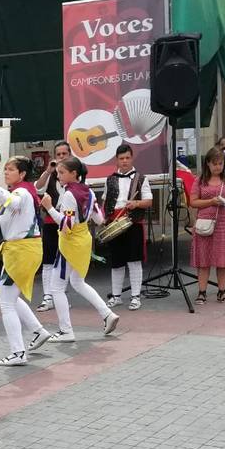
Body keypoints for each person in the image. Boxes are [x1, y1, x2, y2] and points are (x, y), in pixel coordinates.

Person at [40, 158, 120, 337]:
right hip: (84, 240)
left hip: (70, 243)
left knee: (56, 288)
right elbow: (99, 219)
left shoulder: (69, 194)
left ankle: (66, 331)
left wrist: (49, 208)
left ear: (73, 173)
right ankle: (107, 314)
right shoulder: (89, 191)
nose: (58, 176)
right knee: (78, 282)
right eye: (58, 172)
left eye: (61, 172)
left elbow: (66, 225)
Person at [0, 158, 51, 365]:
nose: (6, 172)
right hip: (19, 249)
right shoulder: (22, 190)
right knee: (11, 297)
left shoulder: (21, 192)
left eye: (10, 169)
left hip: (22, 250)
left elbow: (11, 202)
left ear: (22, 174)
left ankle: (18, 352)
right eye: (5, 169)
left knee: (6, 303)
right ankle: (38, 331)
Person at [188, 147, 225, 305]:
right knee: (203, 259)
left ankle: (222, 291)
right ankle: (202, 292)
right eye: (215, 163)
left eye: (221, 163)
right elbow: (193, 202)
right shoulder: (200, 180)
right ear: (208, 163)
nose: (218, 166)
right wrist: (211, 201)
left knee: (223, 259)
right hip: (205, 223)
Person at [100, 144, 152, 310]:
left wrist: (136, 203)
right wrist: (102, 218)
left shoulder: (141, 178)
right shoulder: (110, 179)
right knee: (116, 262)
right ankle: (116, 296)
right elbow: (105, 200)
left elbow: (149, 202)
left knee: (134, 260)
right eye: (121, 159)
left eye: (127, 158)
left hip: (132, 222)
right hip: (114, 223)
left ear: (132, 158)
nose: (124, 161)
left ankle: (135, 296)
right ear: (117, 160)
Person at [34, 140, 73, 312]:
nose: (62, 157)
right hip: (51, 222)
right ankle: (47, 297)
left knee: (65, 261)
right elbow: (37, 188)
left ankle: (60, 296)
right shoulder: (50, 173)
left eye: (65, 154)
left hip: (68, 223)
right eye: (59, 154)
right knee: (48, 260)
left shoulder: (75, 173)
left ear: (70, 155)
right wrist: (48, 170)